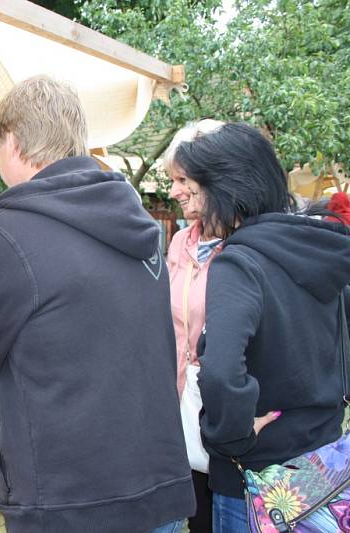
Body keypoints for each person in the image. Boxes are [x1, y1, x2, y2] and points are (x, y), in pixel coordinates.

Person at [0, 75, 195, 533]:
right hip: (158, 489)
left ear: (10, 142)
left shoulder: (5, 236)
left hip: (70, 504)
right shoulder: (139, 222)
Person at [175, 122, 350, 531]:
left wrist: (232, 436)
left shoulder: (239, 261)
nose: (193, 204)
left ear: (227, 191)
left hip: (254, 478)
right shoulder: (316, 245)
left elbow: (219, 370)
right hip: (320, 459)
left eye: (197, 190)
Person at [165, 119, 225, 533]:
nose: (173, 190)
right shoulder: (179, 243)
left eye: (183, 179)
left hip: (232, 420)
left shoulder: (248, 246)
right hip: (184, 412)